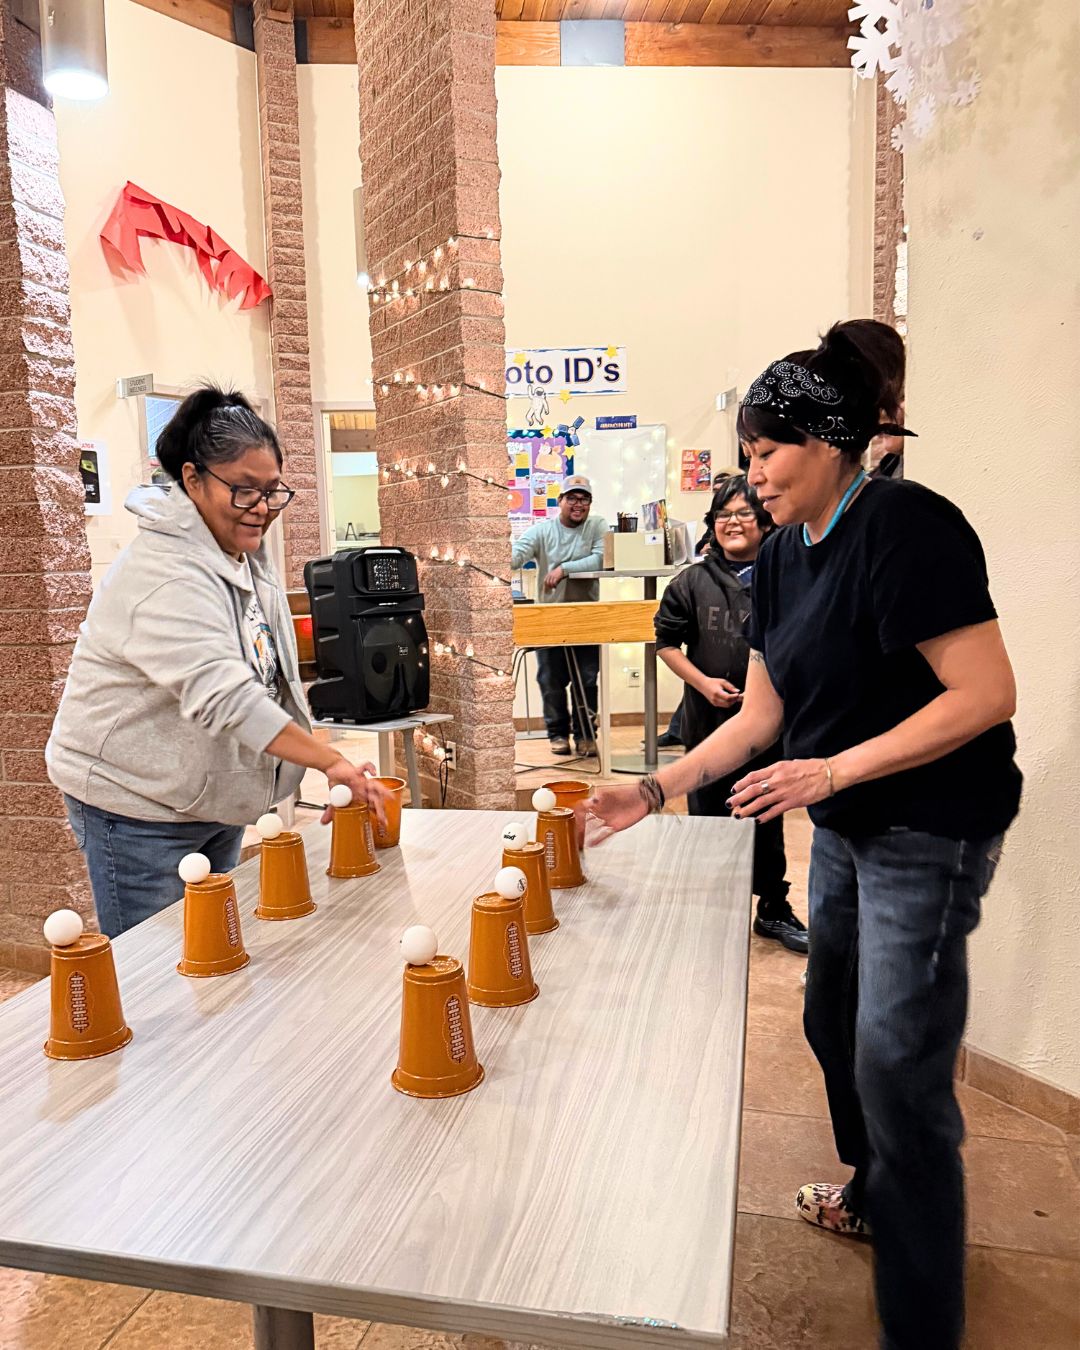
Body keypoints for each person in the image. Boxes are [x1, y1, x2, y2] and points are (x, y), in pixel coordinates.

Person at [582, 321, 1021, 1350]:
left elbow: (986, 692)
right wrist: (653, 790)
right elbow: (759, 716)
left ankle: (922, 1319)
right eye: (745, 452)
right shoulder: (780, 559)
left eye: (768, 450)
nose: (752, 474)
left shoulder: (910, 525)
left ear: (832, 442)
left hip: (932, 825)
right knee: (831, 1018)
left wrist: (834, 770)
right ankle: (878, 1191)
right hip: (852, 824)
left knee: (896, 1066)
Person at [47, 387, 387, 938]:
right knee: (160, 966)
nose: (260, 508)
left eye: (272, 492)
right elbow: (225, 695)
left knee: (214, 949)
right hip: (136, 804)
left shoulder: (239, 548)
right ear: (193, 478)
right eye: (243, 491)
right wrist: (328, 762)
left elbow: (267, 669)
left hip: (206, 795)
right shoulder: (166, 570)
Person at [654, 476, 806, 953]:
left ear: (763, 520)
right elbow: (666, 643)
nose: (733, 523)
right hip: (707, 723)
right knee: (708, 815)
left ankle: (772, 906)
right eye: (723, 516)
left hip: (768, 726)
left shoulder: (786, 573)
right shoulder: (691, 581)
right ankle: (713, 908)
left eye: (743, 513)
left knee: (765, 812)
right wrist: (702, 683)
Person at [510, 475, 609, 756]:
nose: (578, 504)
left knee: (587, 679)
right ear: (560, 501)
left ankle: (586, 736)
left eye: (584, 499)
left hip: (585, 616)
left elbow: (602, 557)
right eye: (572, 498)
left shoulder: (597, 525)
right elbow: (516, 556)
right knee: (550, 679)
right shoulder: (542, 531)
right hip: (549, 617)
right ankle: (557, 735)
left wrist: (564, 569)